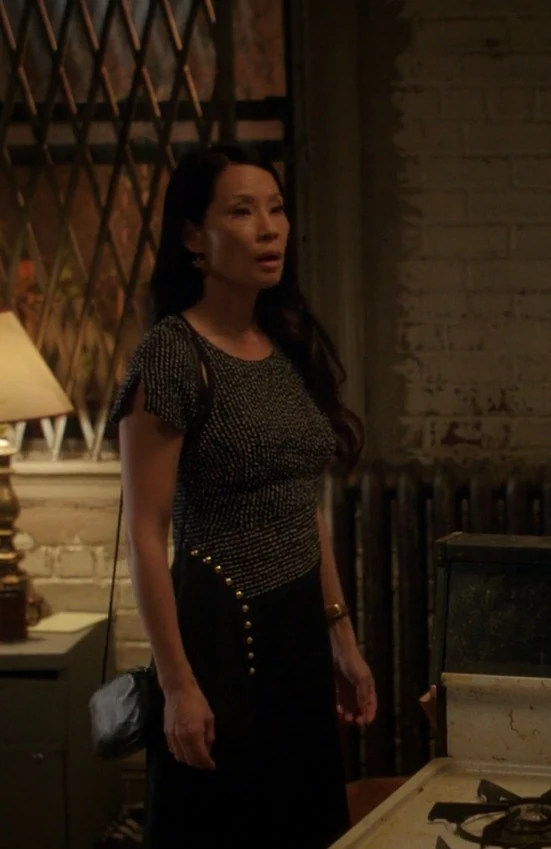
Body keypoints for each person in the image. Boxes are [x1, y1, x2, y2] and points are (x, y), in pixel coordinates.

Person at [112, 145, 377, 848]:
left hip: (297, 628)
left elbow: (301, 505)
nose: (268, 228)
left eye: (276, 209)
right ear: (193, 236)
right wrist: (177, 685)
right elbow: (146, 532)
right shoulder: (172, 353)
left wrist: (342, 639)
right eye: (241, 211)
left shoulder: (282, 339)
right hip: (218, 632)